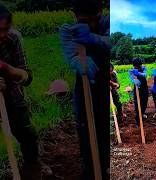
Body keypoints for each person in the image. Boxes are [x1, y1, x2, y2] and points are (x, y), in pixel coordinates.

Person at [0, 3, 52, 179]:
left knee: (27, 134)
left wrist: (8, 70)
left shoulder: (13, 38)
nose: (2, 35)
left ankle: (32, 165)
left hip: (12, 95)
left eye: (5, 29)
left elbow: (27, 77)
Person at [59, 0, 109, 179]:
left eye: (94, 19)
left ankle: (105, 168)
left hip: (106, 86)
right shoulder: (69, 30)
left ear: (101, 12)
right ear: (75, 15)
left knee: (104, 130)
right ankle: (91, 170)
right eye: (85, 20)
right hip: (85, 86)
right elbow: (71, 53)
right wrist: (76, 60)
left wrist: (93, 39)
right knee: (86, 129)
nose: (91, 25)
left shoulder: (109, 24)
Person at [129, 58, 149, 126]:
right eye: (136, 66)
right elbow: (132, 79)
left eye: (139, 66)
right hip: (137, 89)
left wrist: (138, 73)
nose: (137, 67)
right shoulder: (131, 71)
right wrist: (136, 81)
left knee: (144, 103)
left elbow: (145, 75)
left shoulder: (144, 68)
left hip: (144, 89)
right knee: (137, 105)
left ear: (141, 65)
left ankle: (142, 113)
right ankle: (138, 121)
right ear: (134, 66)